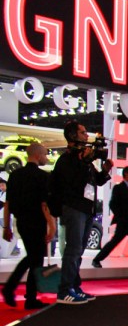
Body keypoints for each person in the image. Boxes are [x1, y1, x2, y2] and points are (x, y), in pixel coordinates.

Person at [49, 121, 113, 305]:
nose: (87, 136)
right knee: (73, 250)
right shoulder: (67, 160)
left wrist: (105, 171)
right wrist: (85, 162)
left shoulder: (82, 160)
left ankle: (74, 287)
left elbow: (96, 181)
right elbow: (73, 184)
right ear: (72, 135)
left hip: (86, 209)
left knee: (78, 250)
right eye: (83, 132)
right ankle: (64, 290)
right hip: (74, 208)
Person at [2, 143, 56, 309]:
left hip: (22, 222)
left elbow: (7, 204)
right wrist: (52, 226)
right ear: (38, 155)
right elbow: (43, 205)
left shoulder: (15, 175)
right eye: (45, 155)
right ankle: (17, 291)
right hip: (36, 222)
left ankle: (26, 296)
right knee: (34, 258)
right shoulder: (41, 177)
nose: (46, 158)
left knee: (33, 258)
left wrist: (7, 227)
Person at [92, 166, 128, 271]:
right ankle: (97, 259)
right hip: (124, 221)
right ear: (126, 174)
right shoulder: (119, 188)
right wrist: (121, 217)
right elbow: (112, 204)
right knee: (114, 242)